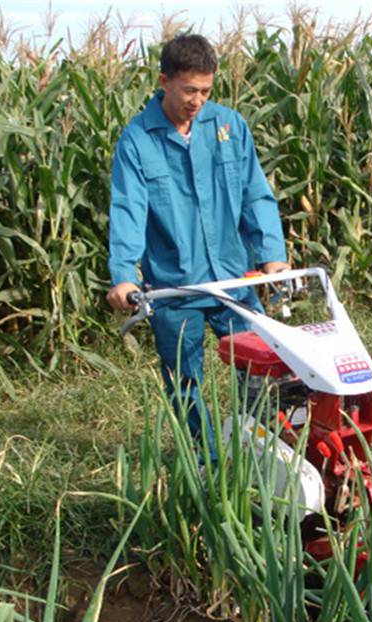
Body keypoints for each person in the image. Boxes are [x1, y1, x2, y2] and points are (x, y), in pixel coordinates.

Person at [106, 33, 289, 457]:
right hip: (176, 286)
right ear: (164, 81)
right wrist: (123, 275)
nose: (197, 100)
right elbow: (129, 208)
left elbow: (254, 195)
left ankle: (265, 453)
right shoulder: (138, 140)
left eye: (206, 91)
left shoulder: (227, 125)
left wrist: (272, 256)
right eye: (189, 90)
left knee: (262, 369)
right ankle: (208, 463)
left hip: (233, 280)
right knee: (185, 382)